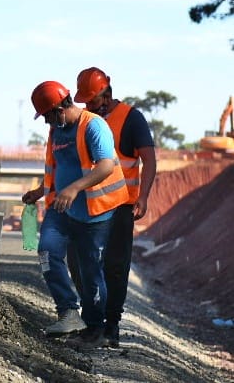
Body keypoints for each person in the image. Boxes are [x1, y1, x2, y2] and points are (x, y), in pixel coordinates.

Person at [22, 81, 128, 346]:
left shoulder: (94, 126)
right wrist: (41, 191)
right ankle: (68, 312)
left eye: (47, 115)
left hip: (94, 212)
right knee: (47, 252)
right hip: (62, 208)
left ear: (60, 108)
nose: (46, 122)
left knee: (90, 272)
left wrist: (74, 189)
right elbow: (61, 167)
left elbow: (105, 166)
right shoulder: (56, 132)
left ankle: (94, 330)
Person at [68, 66, 157, 348]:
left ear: (106, 93)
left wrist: (143, 197)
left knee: (115, 266)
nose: (88, 105)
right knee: (79, 262)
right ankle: (92, 320)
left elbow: (149, 160)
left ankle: (111, 326)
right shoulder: (83, 121)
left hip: (120, 206)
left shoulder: (131, 119)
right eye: (85, 102)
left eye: (91, 100)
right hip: (87, 206)